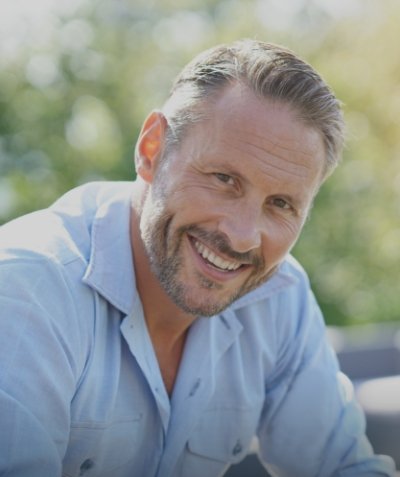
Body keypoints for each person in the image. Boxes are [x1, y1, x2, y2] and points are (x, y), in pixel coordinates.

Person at [0, 39, 395, 477]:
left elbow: (345, 467)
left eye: (281, 204)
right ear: (152, 150)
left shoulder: (279, 297)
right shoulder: (27, 288)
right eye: (224, 179)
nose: (242, 237)